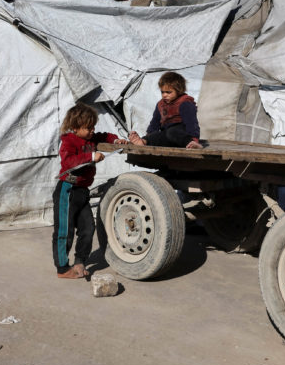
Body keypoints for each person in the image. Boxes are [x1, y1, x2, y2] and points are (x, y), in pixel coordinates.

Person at [53, 102, 126, 279]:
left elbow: (104, 136)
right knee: (65, 231)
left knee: (88, 228)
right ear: (75, 127)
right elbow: (69, 161)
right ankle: (62, 268)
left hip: (82, 191)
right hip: (67, 190)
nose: (92, 131)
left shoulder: (91, 138)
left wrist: (115, 140)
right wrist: (91, 156)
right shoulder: (68, 141)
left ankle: (80, 261)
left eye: (93, 127)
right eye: (88, 128)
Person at [128, 71, 203, 149]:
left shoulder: (184, 103)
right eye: (162, 92)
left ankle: (193, 145)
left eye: (168, 92)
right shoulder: (161, 105)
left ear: (179, 90)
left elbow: (192, 123)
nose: (164, 95)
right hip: (167, 135)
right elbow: (154, 123)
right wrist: (149, 136)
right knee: (158, 135)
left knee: (172, 132)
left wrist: (194, 139)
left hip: (181, 133)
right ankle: (143, 142)